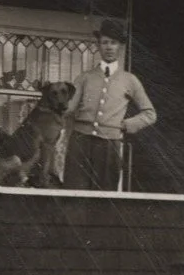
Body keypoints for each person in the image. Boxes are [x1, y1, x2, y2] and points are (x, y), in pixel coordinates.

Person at [63, 18, 157, 191]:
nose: (108, 47)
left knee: (104, 195)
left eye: (113, 43)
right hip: (80, 143)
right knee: (74, 191)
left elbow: (150, 113)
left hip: (109, 146)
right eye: (104, 42)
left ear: (120, 46)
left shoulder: (130, 80)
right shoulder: (85, 77)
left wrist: (126, 125)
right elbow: (68, 109)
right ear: (98, 46)